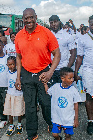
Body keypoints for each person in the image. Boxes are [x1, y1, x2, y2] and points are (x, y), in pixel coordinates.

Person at [15, 8, 61, 140]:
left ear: (36, 17)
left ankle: (50, 123)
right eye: (26, 18)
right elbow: (18, 57)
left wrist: (50, 72)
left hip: (43, 73)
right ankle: (32, 133)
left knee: (46, 103)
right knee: (30, 105)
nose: (29, 20)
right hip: (27, 73)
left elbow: (57, 54)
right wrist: (18, 77)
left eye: (31, 17)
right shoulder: (19, 35)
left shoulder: (46, 32)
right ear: (23, 19)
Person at [44, 67, 81, 140]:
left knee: (67, 135)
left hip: (68, 118)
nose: (72, 80)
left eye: (72, 78)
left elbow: (76, 104)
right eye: (69, 78)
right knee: (54, 134)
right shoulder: (56, 87)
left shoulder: (73, 90)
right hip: (57, 117)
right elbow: (48, 92)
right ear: (63, 78)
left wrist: (76, 119)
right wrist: (45, 84)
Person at [49, 15, 76, 84]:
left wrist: (67, 68)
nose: (53, 24)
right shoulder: (47, 35)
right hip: (50, 69)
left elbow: (73, 53)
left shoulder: (67, 36)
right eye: (51, 23)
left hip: (63, 69)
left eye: (55, 22)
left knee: (64, 92)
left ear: (59, 22)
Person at [3, 56, 25, 136]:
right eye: (9, 64)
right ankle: (11, 125)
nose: (11, 66)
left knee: (19, 111)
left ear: (16, 64)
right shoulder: (7, 73)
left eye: (13, 64)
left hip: (18, 94)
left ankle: (19, 123)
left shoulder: (19, 73)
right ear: (7, 65)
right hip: (10, 94)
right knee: (10, 111)